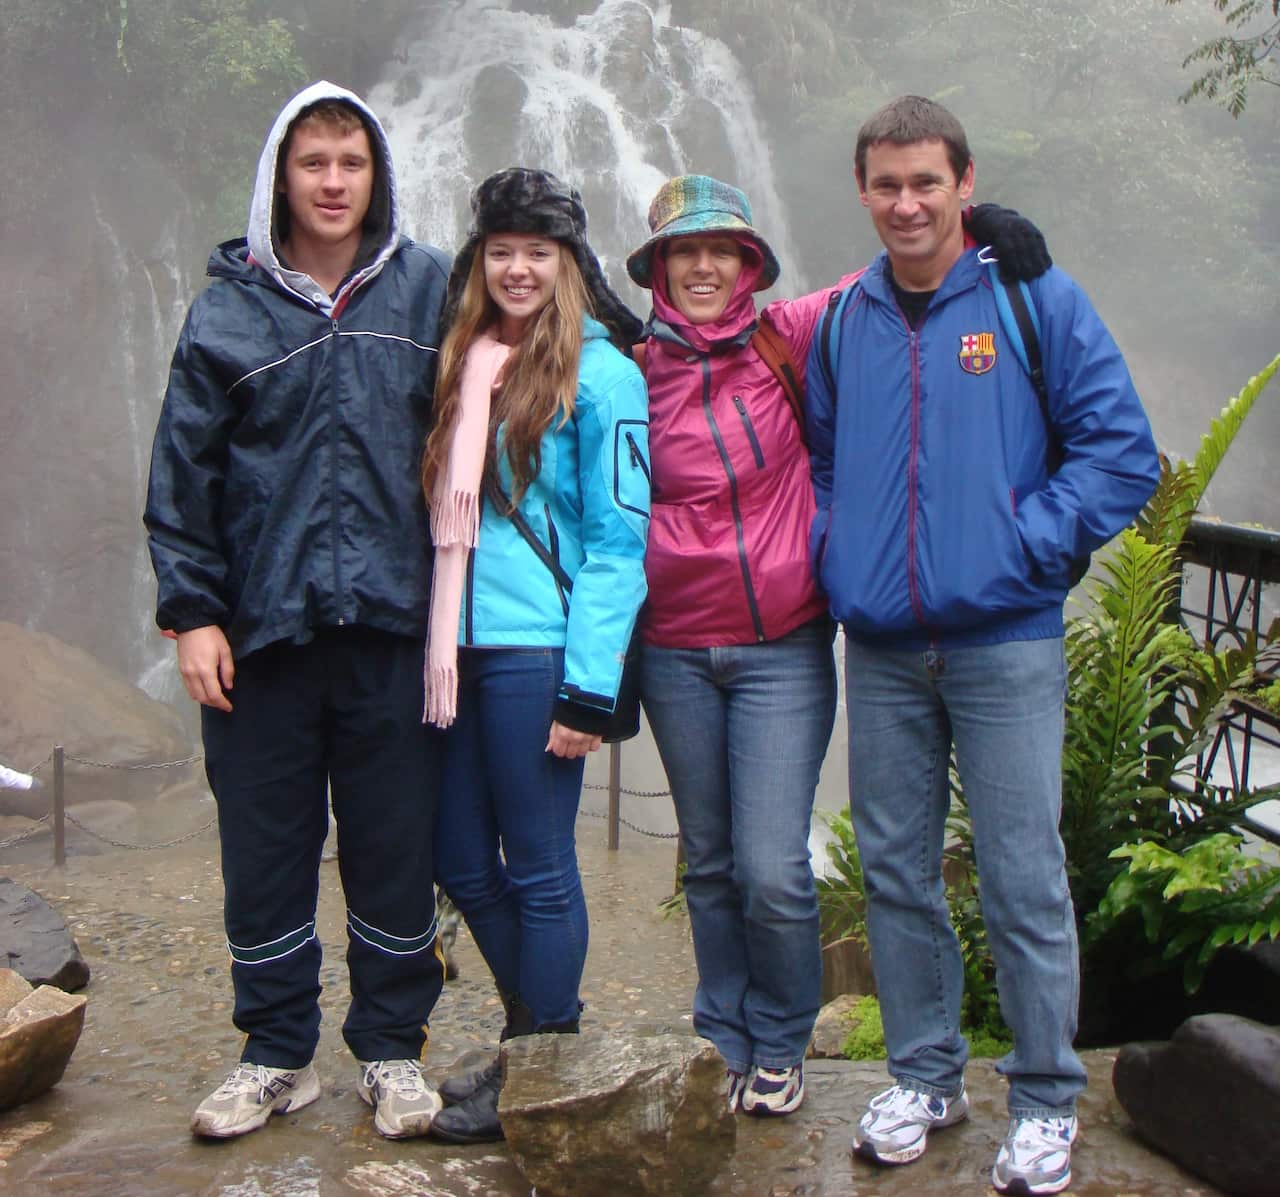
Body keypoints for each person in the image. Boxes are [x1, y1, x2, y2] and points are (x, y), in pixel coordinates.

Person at [625, 175, 1052, 1119]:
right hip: (673, 645)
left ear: (748, 264)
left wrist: (983, 222)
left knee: (771, 864)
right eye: (681, 252)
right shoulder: (625, 365)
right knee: (706, 859)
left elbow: (899, 258)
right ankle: (720, 1034)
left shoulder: (794, 332)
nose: (701, 266)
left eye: (720, 250)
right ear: (657, 267)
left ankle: (780, 1037)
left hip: (782, 642)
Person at [805, 96, 1160, 1194]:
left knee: (1020, 875)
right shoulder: (840, 321)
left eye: (925, 182)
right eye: (884, 184)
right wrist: (839, 550)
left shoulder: (1030, 297)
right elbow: (819, 460)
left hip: (1005, 639)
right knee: (898, 875)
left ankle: (1046, 1096)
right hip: (880, 648)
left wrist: (1025, 544)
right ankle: (926, 1075)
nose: (904, 203)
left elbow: (1120, 454)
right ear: (861, 193)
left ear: (965, 182)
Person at [144, 81, 450, 1141]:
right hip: (259, 632)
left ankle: (391, 1050)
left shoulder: (428, 293)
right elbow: (183, 474)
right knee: (264, 849)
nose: (332, 182)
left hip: (395, 629)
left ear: (378, 178)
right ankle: (276, 1052)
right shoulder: (225, 308)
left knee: (393, 847)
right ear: (280, 172)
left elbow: (545, 338)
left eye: (350, 163)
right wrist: (190, 615)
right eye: (312, 162)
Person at [419, 168, 649, 1144]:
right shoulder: (465, 361)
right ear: (482, 260)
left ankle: (541, 1055)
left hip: (537, 650)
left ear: (567, 264)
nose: (517, 267)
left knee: (540, 866)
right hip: (453, 648)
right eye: (501, 249)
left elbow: (617, 541)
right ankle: (539, 1041)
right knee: (462, 860)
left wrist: (589, 689)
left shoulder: (604, 373)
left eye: (537, 251)